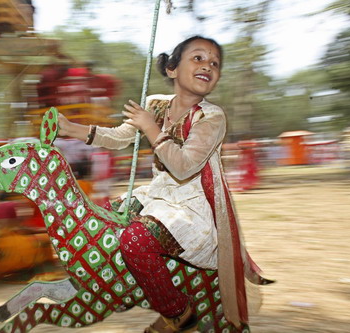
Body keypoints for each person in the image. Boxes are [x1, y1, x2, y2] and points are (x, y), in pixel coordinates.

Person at [58, 36, 269, 333]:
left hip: (191, 208)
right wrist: (71, 129)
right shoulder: (155, 105)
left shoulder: (211, 116)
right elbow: (120, 137)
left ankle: (179, 313)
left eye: (214, 63)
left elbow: (183, 166)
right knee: (100, 218)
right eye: (198, 58)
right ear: (172, 69)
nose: (207, 66)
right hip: (156, 197)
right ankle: (126, 288)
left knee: (136, 240)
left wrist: (150, 127)